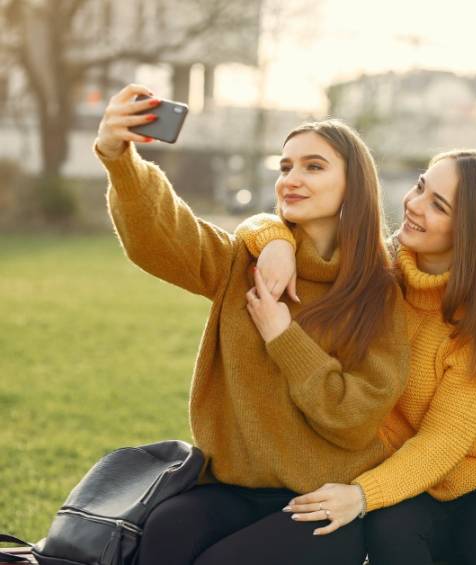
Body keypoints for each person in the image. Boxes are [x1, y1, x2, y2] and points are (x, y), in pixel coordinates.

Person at [93, 84, 410, 565]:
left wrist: (284, 337)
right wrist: (120, 158)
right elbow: (162, 236)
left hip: (321, 499)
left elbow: (355, 419)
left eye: (314, 166)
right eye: (285, 166)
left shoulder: (379, 288)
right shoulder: (244, 261)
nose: (291, 178)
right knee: (163, 537)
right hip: (230, 485)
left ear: (354, 184)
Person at [240, 150, 476, 564]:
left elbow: (441, 442)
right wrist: (276, 241)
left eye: (437, 205)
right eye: (421, 185)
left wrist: (363, 495)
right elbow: (268, 224)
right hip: (401, 481)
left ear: (472, 231)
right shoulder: (373, 271)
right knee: (392, 535)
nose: (413, 204)